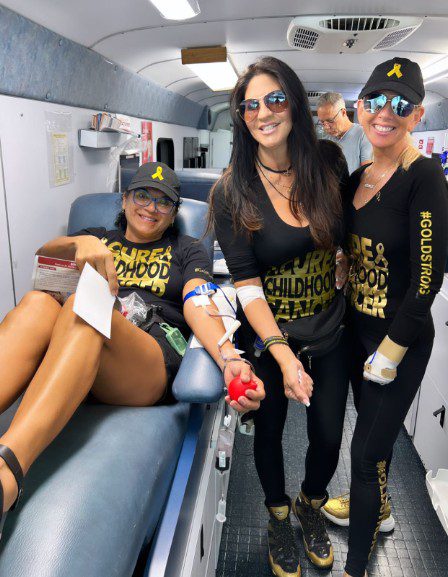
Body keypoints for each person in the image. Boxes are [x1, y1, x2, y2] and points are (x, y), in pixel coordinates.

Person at [0, 161, 265, 539]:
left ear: (174, 214)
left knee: (84, 306)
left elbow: (197, 301)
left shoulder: (187, 249)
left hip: (144, 359)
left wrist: (228, 358)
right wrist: (80, 244)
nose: (150, 208)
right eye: (142, 195)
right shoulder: (96, 237)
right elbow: (45, 256)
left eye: (163, 202)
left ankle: (7, 474)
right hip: (74, 347)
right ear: (124, 200)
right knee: (37, 303)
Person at [208, 57, 350, 577]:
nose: (263, 112)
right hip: (271, 338)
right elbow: (246, 284)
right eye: (250, 105)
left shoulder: (329, 162)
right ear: (241, 117)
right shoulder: (231, 191)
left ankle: (312, 505)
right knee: (268, 436)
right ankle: (278, 516)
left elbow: (353, 227)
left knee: (330, 436)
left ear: (294, 102)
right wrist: (283, 356)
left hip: (331, 329)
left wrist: (346, 259)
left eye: (275, 99)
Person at [322, 58, 448, 577]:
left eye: (400, 105)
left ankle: (355, 568)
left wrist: (390, 354)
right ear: (360, 108)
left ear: (416, 115)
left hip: (399, 343)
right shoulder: (358, 177)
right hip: (356, 332)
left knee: (366, 449)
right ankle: (381, 506)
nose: (385, 113)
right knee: (373, 438)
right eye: (376, 101)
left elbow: (426, 281)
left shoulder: (425, 179)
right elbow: (350, 245)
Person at [317, 92, 372, 174]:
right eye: (322, 122)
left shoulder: (363, 134)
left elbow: (367, 173)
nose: (326, 127)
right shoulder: (327, 139)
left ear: (343, 112)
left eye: (330, 121)